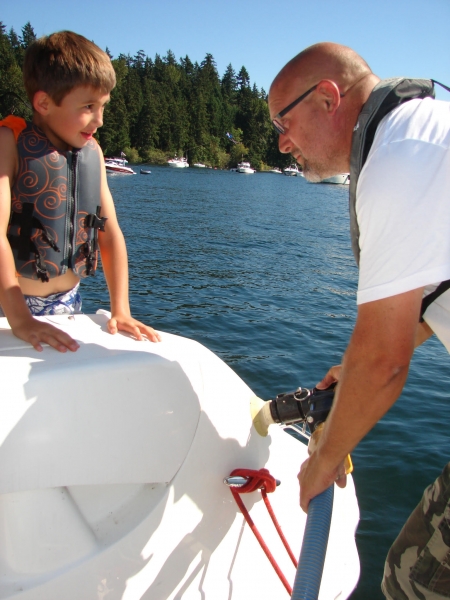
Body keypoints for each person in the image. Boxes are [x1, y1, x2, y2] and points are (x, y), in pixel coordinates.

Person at [268, 43, 450, 599]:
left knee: (413, 580)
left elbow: (384, 361)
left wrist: (322, 459)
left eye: (284, 121)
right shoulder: (422, 137)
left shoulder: (400, 159)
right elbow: (434, 295)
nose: (282, 142)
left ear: (328, 97)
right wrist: (353, 367)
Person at [0, 31, 161, 352]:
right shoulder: (9, 143)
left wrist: (121, 309)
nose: (99, 120)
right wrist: (20, 320)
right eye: (88, 106)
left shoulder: (92, 153)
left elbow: (109, 231)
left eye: (103, 106)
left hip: (68, 304)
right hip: (9, 309)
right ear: (44, 103)